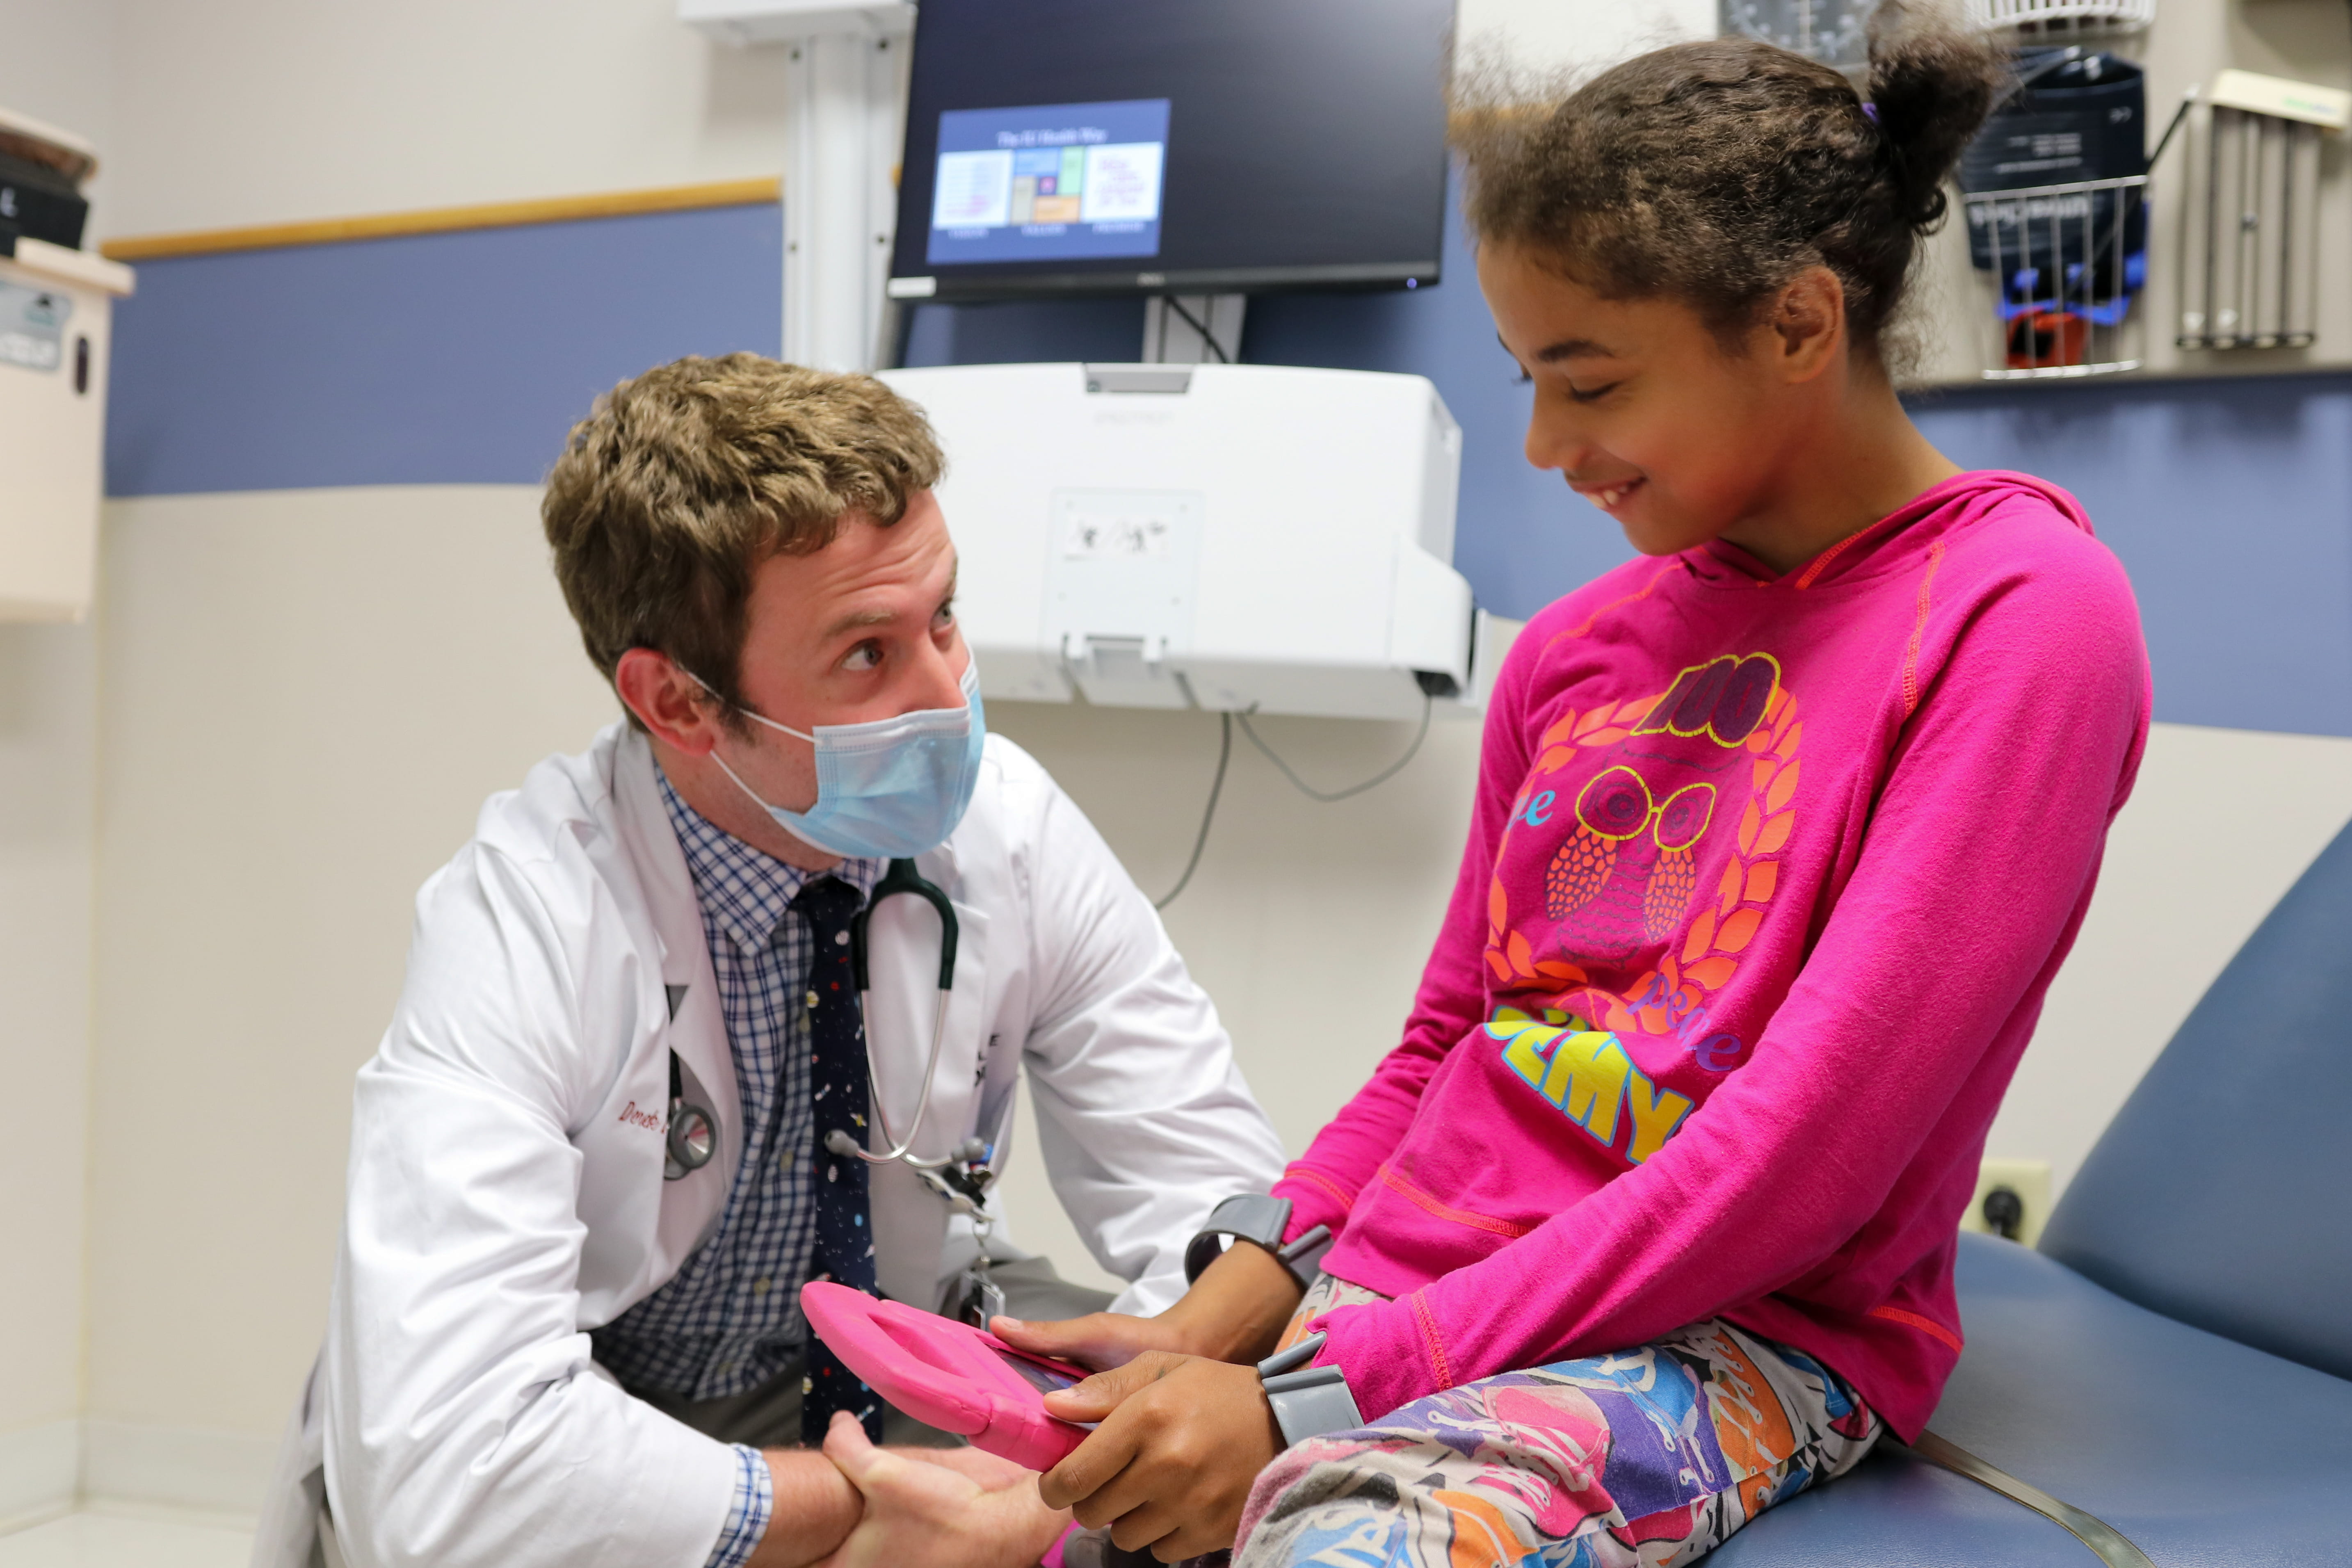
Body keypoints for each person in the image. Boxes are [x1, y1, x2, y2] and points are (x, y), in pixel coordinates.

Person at [996, 11, 2153, 1565]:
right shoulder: (1573, 652)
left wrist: (1318, 1396)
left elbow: (1802, 1165)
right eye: (1528, 380)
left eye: (1592, 383)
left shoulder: (2021, 614)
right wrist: (1218, 1319)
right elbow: (1448, 1048)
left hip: (1738, 1320)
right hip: (1421, 1286)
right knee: (1059, 1520)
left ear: (1800, 322)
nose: (1545, 444)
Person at [249, 356, 1288, 1568]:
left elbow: (1228, 1217)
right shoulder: (525, 915)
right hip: (617, 1405)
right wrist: (861, 1508)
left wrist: (1067, 1468)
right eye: (866, 655)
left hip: (914, 1351)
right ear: (678, 703)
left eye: (943, 618)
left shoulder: (1010, 828)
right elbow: (459, 1470)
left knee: (1237, 1485)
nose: (948, 696)